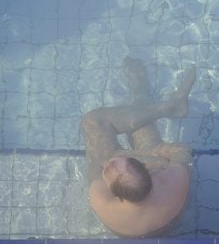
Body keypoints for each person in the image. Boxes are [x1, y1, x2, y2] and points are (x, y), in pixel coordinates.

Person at [82, 57, 196, 237]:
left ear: (116, 196)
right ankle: (149, 96)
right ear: (148, 170)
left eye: (108, 169)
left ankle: (146, 96)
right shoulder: (172, 183)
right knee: (142, 127)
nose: (110, 161)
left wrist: (123, 157)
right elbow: (184, 152)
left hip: (133, 226)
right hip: (165, 217)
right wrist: (156, 157)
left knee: (93, 121)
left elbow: (96, 164)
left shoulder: (102, 201)